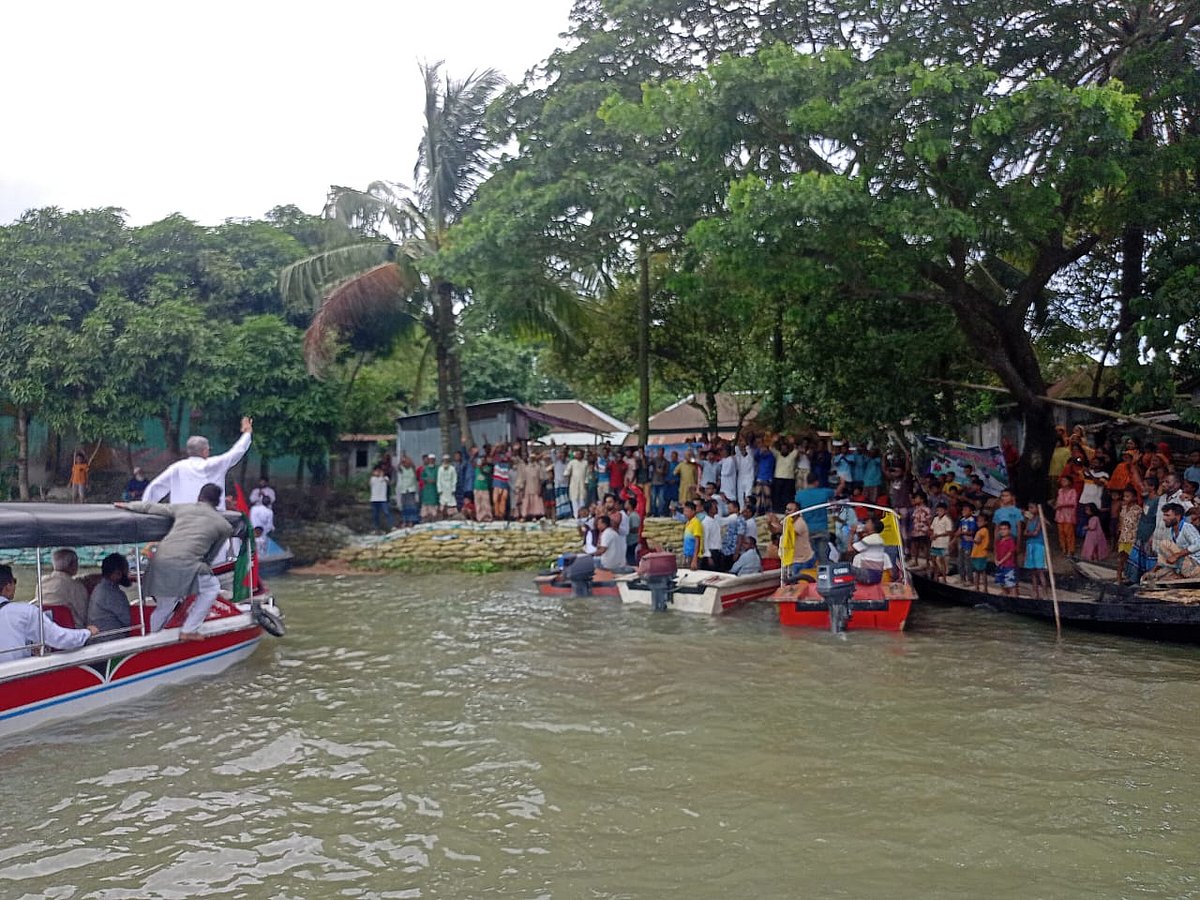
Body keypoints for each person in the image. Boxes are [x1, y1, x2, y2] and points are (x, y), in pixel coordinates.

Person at [117, 483, 234, 640]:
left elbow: (152, 507)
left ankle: (152, 638)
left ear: (199, 497)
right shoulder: (224, 525)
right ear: (218, 502)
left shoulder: (184, 508)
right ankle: (189, 629)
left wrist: (128, 505)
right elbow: (209, 557)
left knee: (165, 605)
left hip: (159, 560)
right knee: (212, 588)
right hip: (186, 564)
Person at [144, 417, 253, 509]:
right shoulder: (213, 465)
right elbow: (236, 452)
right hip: (210, 518)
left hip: (181, 518)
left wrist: (143, 508)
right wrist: (247, 433)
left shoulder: (176, 467)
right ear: (205, 451)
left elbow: (155, 487)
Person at [0, 565, 98, 662]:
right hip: (18, 673)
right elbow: (59, 638)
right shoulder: (25, 612)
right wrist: (87, 633)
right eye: (15, 581)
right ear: (8, 586)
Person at [1142, 502, 1200, 583]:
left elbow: (1198, 544)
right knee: (1158, 577)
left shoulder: (1187, 527)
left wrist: (1177, 555)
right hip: (1183, 566)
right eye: (1164, 515)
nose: (1164, 518)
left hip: (1195, 565)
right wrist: (1153, 571)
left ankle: (1187, 575)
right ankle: (1181, 576)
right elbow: (1163, 557)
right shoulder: (1171, 531)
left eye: (1167, 515)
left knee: (1164, 544)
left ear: (1178, 516)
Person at [87, 553, 133, 642]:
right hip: (110, 640)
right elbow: (129, 620)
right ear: (117, 573)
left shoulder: (100, 588)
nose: (127, 574)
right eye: (126, 571)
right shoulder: (111, 594)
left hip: (99, 638)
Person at [40, 548, 90, 629]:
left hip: (47, 629)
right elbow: (85, 614)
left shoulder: (42, 582)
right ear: (71, 565)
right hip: (72, 631)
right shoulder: (75, 586)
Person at [795, 473, 835, 562]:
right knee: (823, 558)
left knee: (811, 559)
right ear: (817, 482)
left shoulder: (799, 495)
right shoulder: (825, 492)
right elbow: (836, 493)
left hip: (807, 531)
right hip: (822, 529)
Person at [1021, 502, 1048, 599]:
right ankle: (1035, 591)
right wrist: (1029, 533)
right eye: (1029, 508)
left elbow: (1035, 533)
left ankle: (1044, 593)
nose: (1030, 510)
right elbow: (1025, 532)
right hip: (1030, 545)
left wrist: (1029, 533)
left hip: (1038, 545)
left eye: (1032, 508)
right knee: (1032, 571)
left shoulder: (1040, 519)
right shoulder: (1030, 520)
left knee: (1040, 570)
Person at [1116, 487, 1141, 583]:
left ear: (1134, 498)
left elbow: (1139, 524)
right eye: (1124, 496)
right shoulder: (1123, 508)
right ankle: (1118, 577)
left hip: (1132, 538)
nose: (1125, 498)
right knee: (1120, 558)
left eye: (1127, 496)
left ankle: (1129, 577)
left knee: (1130, 559)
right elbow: (1121, 522)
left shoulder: (1138, 510)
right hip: (1123, 537)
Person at [1052, 474, 1079, 557]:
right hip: (1060, 514)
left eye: (1065, 480)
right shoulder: (1060, 491)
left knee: (1069, 533)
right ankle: (1063, 549)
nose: (1062, 482)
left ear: (1070, 482)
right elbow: (1058, 501)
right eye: (1062, 481)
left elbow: (1073, 503)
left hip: (1069, 515)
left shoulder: (1073, 491)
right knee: (1061, 533)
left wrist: (1060, 505)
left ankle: (1070, 550)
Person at [930, 501, 953, 583]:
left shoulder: (947, 520)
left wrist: (938, 535)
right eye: (938, 510)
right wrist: (932, 535)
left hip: (943, 543)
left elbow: (949, 532)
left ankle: (944, 578)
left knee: (942, 561)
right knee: (933, 560)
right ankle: (936, 575)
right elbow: (932, 528)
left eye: (941, 510)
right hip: (935, 543)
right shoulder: (935, 519)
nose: (939, 512)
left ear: (945, 511)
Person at [993, 521, 1018, 597]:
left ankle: (1014, 598)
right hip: (1000, 565)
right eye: (1001, 529)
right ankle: (1005, 596)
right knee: (1001, 583)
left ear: (1009, 530)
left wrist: (1001, 561)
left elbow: (1010, 553)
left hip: (1008, 565)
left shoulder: (1011, 541)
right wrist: (996, 560)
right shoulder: (999, 541)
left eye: (1005, 529)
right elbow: (996, 551)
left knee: (1011, 584)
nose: (1003, 531)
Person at [369, 465, 394, 532]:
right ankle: (376, 527)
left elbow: (389, 483)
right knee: (375, 514)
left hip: (383, 499)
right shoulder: (372, 479)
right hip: (374, 499)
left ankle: (391, 526)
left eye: (379, 471)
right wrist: (377, 476)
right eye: (376, 471)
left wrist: (382, 476)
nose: (378, 472)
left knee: (387, 512)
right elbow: (370, 484)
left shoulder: (385, 478)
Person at [396, 455, 420, 527]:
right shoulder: (402, 469)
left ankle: (411, 521)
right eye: (404, 463)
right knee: (405, 506)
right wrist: (401, 460)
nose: (406, 464)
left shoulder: (412, 469)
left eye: (407, 462)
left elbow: (413, 465)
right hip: (404, 490)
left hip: (411, 490)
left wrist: (407, 458)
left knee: (411, 506)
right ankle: (405, 520)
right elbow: (398, 467)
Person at [970, 512, 991, 592]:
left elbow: (978, 541)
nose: (978, 522)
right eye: (978, 521)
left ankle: (983, 588)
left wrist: (972, 539)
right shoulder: (982, 530)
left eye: (981, 521)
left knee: (982, 572)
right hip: (977, 553)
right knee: (978, 572)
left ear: (985, 522)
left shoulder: (983, 530)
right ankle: (977, 587)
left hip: (980, 554)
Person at [681, 502, 704, 570]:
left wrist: (694, 559)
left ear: (693, 511)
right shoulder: (688, 523)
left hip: (694, 556)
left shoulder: (696, 522)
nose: (685, 513)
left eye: (687, 511)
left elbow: (697, 541)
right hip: (688, 555)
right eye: (684, 511)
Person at [418, 454, 440, 522]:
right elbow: (422, 477)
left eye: (433, 460)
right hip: (427, 491)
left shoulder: (438, 468)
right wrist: (427, 480)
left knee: (434, 509)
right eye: (430, 460)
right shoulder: (425, 469)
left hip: (434, 491)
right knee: (425, 509)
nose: (431, 461)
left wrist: (435, 480)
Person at [438, 454, 458, 518]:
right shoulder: (440, 469)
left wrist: (453, 489)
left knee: (451, 502)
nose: (445, 461)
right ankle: (443, 516)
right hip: (443, 489)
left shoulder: (452, 468)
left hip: (450, 488)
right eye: (444, 460)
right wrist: (439, 489)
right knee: (443, 502)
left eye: (447, 460)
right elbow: (439, 480)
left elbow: (454, 479)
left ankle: (451, 515)